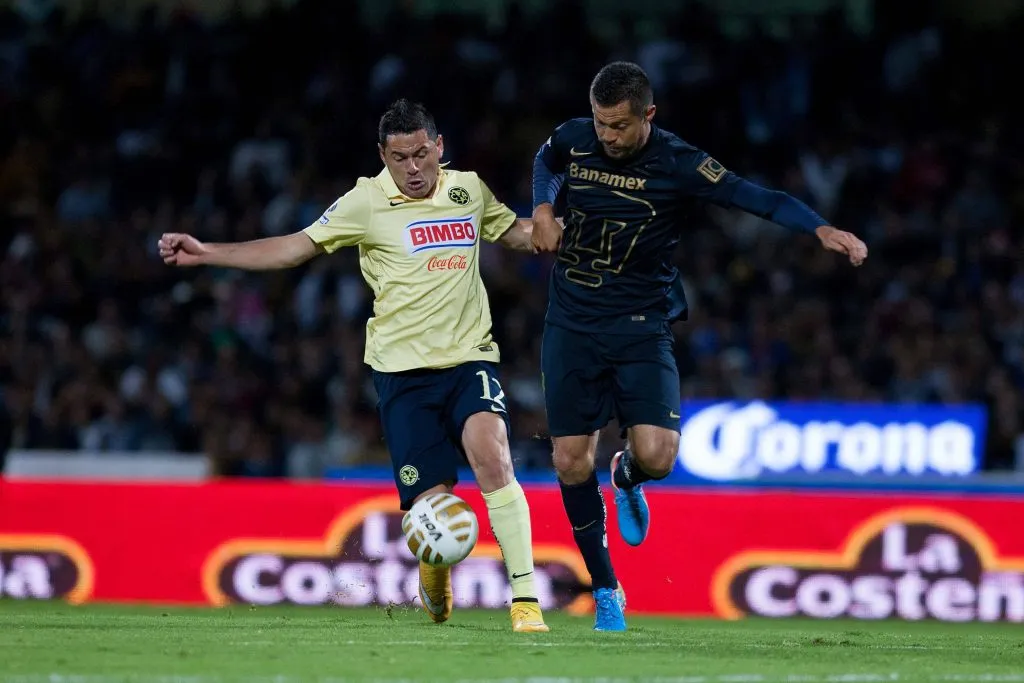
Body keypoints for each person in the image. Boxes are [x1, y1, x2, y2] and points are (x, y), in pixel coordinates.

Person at [160, 99, 549, 634]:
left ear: (439, 147)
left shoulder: (469, 190)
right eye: (399, 158)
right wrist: (207, 252)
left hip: (469, 358)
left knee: (494, 454)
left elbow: (517, 233)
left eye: (421, 154)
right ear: (382, 156)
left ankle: (525, 600)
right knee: (433, 508)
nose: (412, 168)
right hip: (403, 375)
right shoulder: (365, 201)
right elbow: (294, 248)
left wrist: (568, 229)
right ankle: (433, 569)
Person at [530, 62, 868, 631]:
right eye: (600, 122)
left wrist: (820, 228)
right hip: (572, 321)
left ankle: (627, 476)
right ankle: (607, 590)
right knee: (569, 460)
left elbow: (754, 196)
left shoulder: (679, 162)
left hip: (640, 324)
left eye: (619, 125)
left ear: (648, 115)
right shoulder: (575, 137)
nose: (607, 135)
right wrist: (543, 207)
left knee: (659, 457)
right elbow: (546, 161)